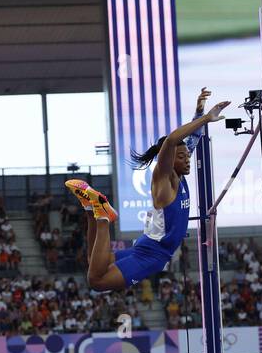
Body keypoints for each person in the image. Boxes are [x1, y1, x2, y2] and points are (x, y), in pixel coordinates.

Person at [67, 88, 229, 292]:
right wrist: (205, 118)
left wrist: (198, 113)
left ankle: (91, 211)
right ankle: (102, 218)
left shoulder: (179, 173)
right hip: (153, 255)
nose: (187, 160)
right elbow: (171, 141)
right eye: (182, 157)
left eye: (188, 155)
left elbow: (192, 139)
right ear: (169, 159)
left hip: (145, 246)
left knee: (95, 262)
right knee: (97, 282)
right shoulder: (164, 179)